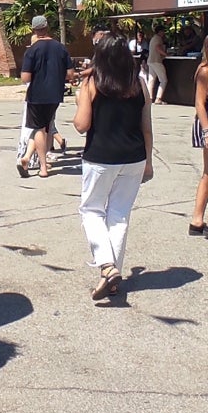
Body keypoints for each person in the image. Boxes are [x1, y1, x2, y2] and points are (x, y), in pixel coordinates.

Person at [73, 34, 154, 300]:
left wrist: (80, 100)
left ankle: (107, 267)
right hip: (134, 156)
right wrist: (149, 162)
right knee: (119, 215)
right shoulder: (139, 83)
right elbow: (146, 128)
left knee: (91, 211)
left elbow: (81, 125)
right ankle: (113, 277)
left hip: (101, 157)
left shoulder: (93, 83)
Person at [17, 16, 74, 178]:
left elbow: (25, 77)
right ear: (47, 27)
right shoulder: (61, 48)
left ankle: (43, 167)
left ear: (34, 29)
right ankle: (27, 158)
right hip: (55, 95)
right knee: (44, 126)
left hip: (36, 95)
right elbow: (70, 74)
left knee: (39, 129)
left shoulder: (32, 50)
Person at [192, 36, 208, 237]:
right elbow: (199, 104)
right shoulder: (204, 71)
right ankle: (196, 218)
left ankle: (197, 220)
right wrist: (206, 131)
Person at [148, 24, 168, 105]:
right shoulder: (158, 38)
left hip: (150, 60)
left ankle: (149, 98)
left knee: (151, 80)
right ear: (160, 32)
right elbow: (158, 48)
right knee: (163, 80)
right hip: (157, 61)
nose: (164, 33)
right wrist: (166, 54)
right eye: (163, 31)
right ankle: (158, 98)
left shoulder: (153, 38)